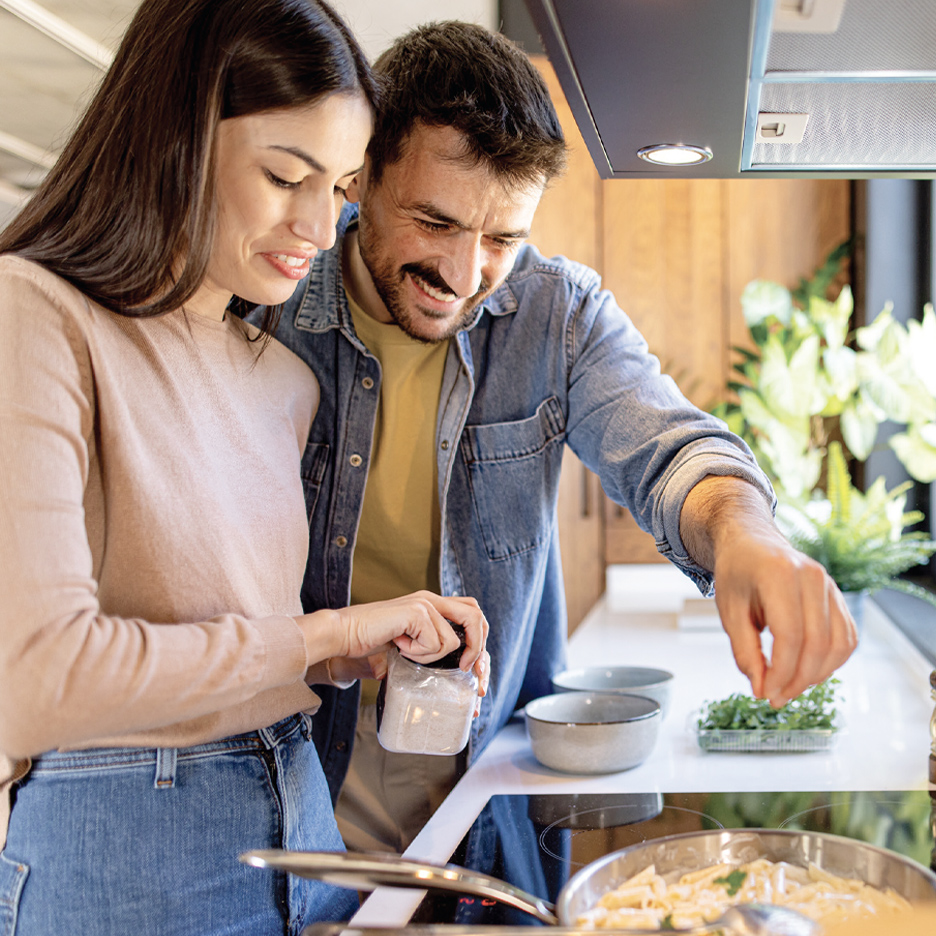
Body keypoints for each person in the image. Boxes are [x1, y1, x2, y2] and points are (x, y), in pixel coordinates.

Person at [262, 21, 858, 855]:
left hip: (484, 787)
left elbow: (671, 448)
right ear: (362, 174)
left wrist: (745, 535)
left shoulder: (557, 313)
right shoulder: (269, 308)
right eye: (435, 222)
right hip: (291, 784)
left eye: (503, 238)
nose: (464, 276)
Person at [0, 2, 489, 934]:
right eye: (283, 175)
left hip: (299, 815)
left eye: (340, 188)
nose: (317, 224)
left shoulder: (282, 382)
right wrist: (320, 633)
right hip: (125, 852)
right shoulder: (34, 314)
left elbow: (231, 636)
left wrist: (355, 650)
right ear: (176, 135)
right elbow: (38, 680)